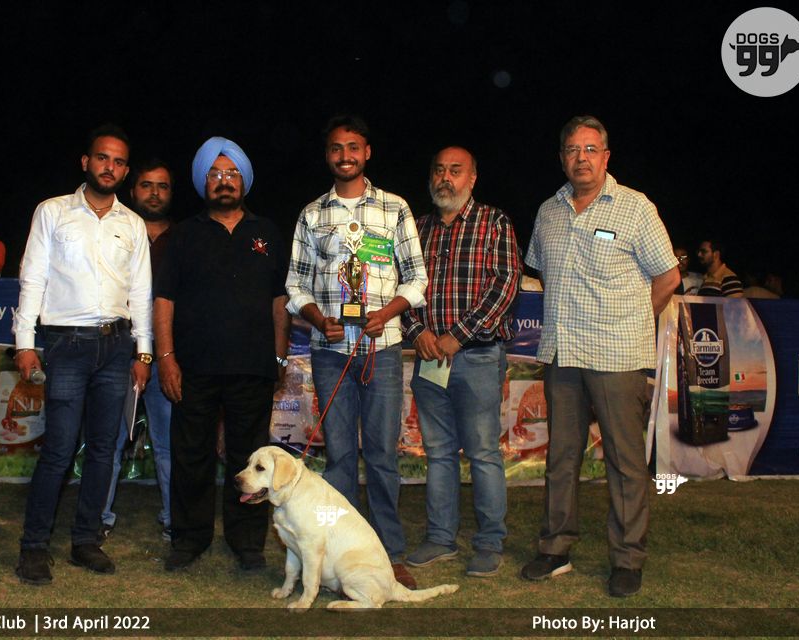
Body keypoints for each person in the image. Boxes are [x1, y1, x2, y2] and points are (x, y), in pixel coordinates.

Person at [521, 116, 679, 597]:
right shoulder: (548, 211)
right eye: (572, 150)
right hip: (564, 354)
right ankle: (555, 549)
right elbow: (541, 272)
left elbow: (668, 277)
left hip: (617, 357)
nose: (581, 158)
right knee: (561, 458)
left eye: (590, 149)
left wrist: (633, 323)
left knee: (625, 463)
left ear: (606, 157)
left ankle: (627, 558)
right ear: (562, 158)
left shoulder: (635, 207)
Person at [285, 115, 428, 589]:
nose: (344, 156)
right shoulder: (312, 214)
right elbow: (295, 284)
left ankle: (389, 553)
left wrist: (387, 313)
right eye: (335, 148)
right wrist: (316, 317)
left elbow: (417, 278)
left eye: (353, 147)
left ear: (367, 153)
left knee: (383, 456)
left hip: (381, 349)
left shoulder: (395, 208)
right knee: (340, 459)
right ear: (327, 155)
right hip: (330, 352)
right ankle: (333, 553)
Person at [12, 124, 153, 585]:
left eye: (118, 161)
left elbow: (141, 293)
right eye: (102, 158)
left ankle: (86, 540)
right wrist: (24, 344)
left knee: (104, 450)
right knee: (59, 448)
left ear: (125, 171)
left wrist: (144, 354)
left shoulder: (132, 224)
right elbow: (32, 278)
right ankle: (34, 547)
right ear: (86, 162)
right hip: (66, 344)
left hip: (117, 346)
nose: (109, 167)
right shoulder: (52, 212)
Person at [154, 137, 290, 572]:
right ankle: (189, 538)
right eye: (214, 174)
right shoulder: (182, 235)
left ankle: (247, 542)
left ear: (244, 181)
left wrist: (279, 358)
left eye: (232, 173)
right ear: (203, 182)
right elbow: (164, 301)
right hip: (193, 367)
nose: (224, 181)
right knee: (190, 455)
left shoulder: (267, 233)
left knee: (249, 458)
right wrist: (166, 358)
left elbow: (280, 301)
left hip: (253, 367)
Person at [401, 147, 521, 577]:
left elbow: (505, 285)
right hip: (429, 358)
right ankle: (440, 538)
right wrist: (419, 333)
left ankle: (489, 542)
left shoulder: (494, 222)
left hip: (478, 356)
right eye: (439, 170)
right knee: (438, 453)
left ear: (472, 178)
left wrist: (457, 336)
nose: (445, 178)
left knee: (484, 452)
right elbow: (400, 288)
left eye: (455, 171)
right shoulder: (416, 228)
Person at [100, 159, 176, 544]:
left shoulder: (184, 238)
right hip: (115, 353)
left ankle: (174, 519)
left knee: (169, 445)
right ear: (133, 190)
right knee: (108, 444)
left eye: (162, 186)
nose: (154, 193)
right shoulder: (115, 231)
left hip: (168, 357)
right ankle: (98, 518)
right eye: (147, 185)